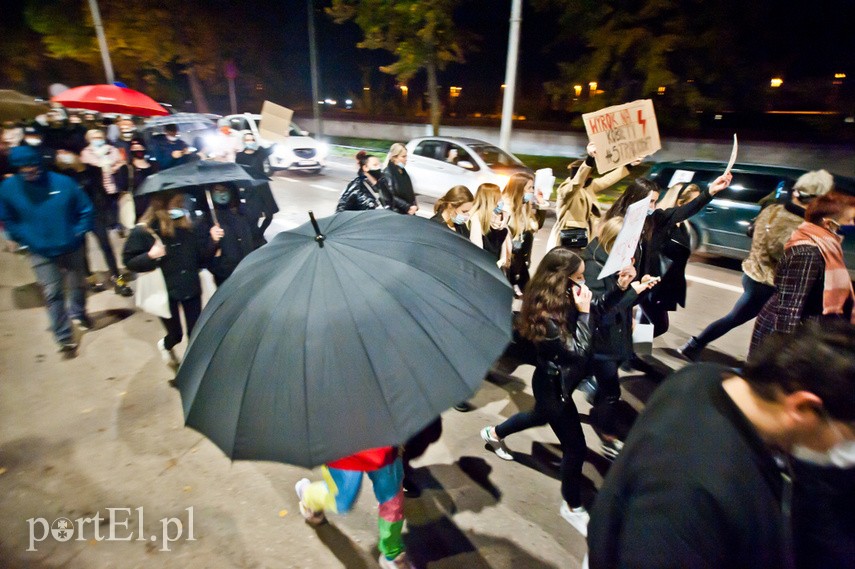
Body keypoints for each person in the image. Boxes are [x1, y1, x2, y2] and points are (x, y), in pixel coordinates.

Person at [587, 319, 855, 569]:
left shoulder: (702, 377)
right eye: (848, 435)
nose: (846, 447)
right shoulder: (691, 496)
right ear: (804, 407)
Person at [480, 247, 594, 536]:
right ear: (562, 279)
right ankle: (572, 506)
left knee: (538, 416)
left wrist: (622, 291)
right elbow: (576, 352)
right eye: (578, 277)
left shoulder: (556, 299)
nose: (584, 283)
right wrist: (584, 315)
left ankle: (494, 434)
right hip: (553, 385)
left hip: (552, 383)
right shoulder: (546, 317)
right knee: (575, 447)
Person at [679, 169, 835, 360]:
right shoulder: (798, 227)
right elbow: (792, 258)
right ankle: (695, 346)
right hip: (766, 283)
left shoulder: (773, 209)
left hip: (753, 273)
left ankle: (695, 346)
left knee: (742, 319)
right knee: (743, 320)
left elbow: (753, 232)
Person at [604, 172, 733, 337]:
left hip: (647, 285)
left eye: (655, 202)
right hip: (622, 288)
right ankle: (628, 353)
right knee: (618, 329)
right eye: (649, 201)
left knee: (657, 325)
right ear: (635, 199)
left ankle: (634, 353)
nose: (652, 207)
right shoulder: (616, 224)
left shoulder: (656, 220)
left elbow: (684, 211)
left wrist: (711, 191)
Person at [0, 145, 93, 354]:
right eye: (22, 167)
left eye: (32, 165)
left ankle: (78, 313)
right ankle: (63, 336)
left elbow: (85, 209)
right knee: (53, 293)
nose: (28, 170)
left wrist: (77, 233)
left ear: (39, 162)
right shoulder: (8, 188)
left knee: (78, 285)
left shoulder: (63, 183)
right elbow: (8, 219)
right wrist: (25, 238)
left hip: (71, 246)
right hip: (40, 251)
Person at [581, 217, 659, 459]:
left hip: (617, 335)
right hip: (601, 340)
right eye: (627, 244)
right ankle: (609, 437)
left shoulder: (616, 260)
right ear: (613, 241)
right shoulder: (592, 264)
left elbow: (621, 303)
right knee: (611, 392)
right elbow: (599, 310)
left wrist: (639, 288)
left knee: (598, 384)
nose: (632, 250)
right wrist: (628, 290)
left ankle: (584, 388)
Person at [122, 191, 222, 366]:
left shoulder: (187, 226)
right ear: (162, 206)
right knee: (176, 334)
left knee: (196, 333)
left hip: (190, 288)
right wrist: (150, 256)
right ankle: (166, 345)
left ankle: (192, 370)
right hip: (166, 291)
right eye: (177, 204)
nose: (181, 208)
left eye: (181, 204)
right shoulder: (145, 230)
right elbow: (129, 261)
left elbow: (200, 258)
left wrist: (213, 241)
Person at [750, 191, 855, 353]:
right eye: (851, 220)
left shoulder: (827, 246)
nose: (853, 224)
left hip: (803, 329)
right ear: (829, 224)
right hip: (786, 336)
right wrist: (786, 352)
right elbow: (789, 309)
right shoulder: (808, 253)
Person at [295, 446, 414, 569]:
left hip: (383, 446)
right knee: (342, 500)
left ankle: (393, 552)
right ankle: (309, 495)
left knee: (393, 502)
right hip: (344, 448)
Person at [546, 143, 637, 251]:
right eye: (586, 174)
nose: (588, 176)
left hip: (584, 239)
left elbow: (608, 179)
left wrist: (629, 165)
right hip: (567, 240)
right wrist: (589, 159)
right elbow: (576, 183)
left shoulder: (589, 187)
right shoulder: (566, 189)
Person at [79, 129, 132, 296]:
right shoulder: (85, 163)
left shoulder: (105, 161)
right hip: (79, 212)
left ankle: (117, 279)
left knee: (106, 246)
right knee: (81, 249)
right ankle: (90, 279)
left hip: (97, 210)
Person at [206, 183, 257, 285]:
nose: (221, 193)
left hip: (246, 269)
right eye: (217, 190)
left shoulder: (243, 212)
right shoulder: (208, 219)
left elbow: (254, 238)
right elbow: (203, 255)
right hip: (225, 275)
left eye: (224, 190)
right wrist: (213, 241)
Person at [505, 172, 545, 296]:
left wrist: (541, 205)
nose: (532, 191)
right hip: (509, 259)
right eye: (529, 188)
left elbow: (535, 226)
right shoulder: (506, 208)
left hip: (520, 258)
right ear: (519, 188)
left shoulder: (525, 206)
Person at [235, 133, 279, 247]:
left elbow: (271, 149)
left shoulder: (260, 152)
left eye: (252, 139)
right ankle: (255, 239)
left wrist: (281, 137)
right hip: (250, 190)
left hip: (263, 188)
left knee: (269, 215)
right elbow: (238, 173)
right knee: (253, 217)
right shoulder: (240, 156)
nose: (250, 141)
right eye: (248, 139)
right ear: (244, 142)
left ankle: (259, 234)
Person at [114, 137, 158, 223]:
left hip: (155, 206)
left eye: (139, 147)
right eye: (134, 148)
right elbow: (122, 187)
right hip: (135, 208)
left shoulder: (154, 166)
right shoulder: (126, 169)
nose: (137, 150)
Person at [468, 182, 511, 268]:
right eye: (498, 198)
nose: (501, 202)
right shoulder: (476, 218)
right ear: (490, 200)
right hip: (485, 266)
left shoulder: (501, 217)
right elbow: (477, 249)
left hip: (498, 266)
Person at [383, 143, 418, 215]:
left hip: (409, 211)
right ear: (394, 157)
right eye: (403, 157)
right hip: (397, 213)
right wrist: (407, 207)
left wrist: (414, 205)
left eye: (406, 156)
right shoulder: (387, 173)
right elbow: (391, 196)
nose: (406, 159)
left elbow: (409, 190)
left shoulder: (403, 171)